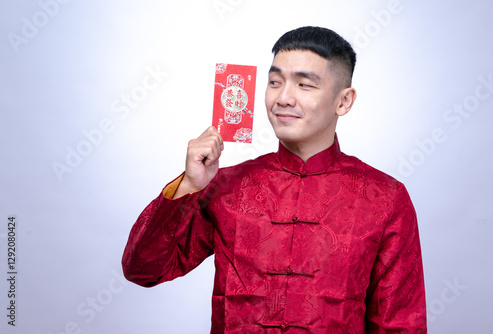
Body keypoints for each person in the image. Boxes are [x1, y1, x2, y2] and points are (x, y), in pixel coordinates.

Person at [122, 26, 427, 333]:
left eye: (304, 85)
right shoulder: (227, 186)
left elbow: (401, 324)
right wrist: (190, 186)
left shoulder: (385, 197)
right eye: (274, 82)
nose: (283, 98)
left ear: (343, 101)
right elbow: (142, 270)